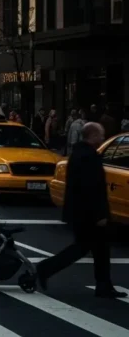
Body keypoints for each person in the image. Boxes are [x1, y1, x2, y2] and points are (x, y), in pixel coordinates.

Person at [36, 123, 126, 298]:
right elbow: (92, 188)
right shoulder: (88, 157)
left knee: (96, 249)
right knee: (85, 248)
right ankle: (46, 268)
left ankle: (103, 285)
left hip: (80, 212)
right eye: (101, 135)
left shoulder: (79, 154)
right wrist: (100, 215)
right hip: (88, 214)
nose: (102, 138)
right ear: (92, 136)